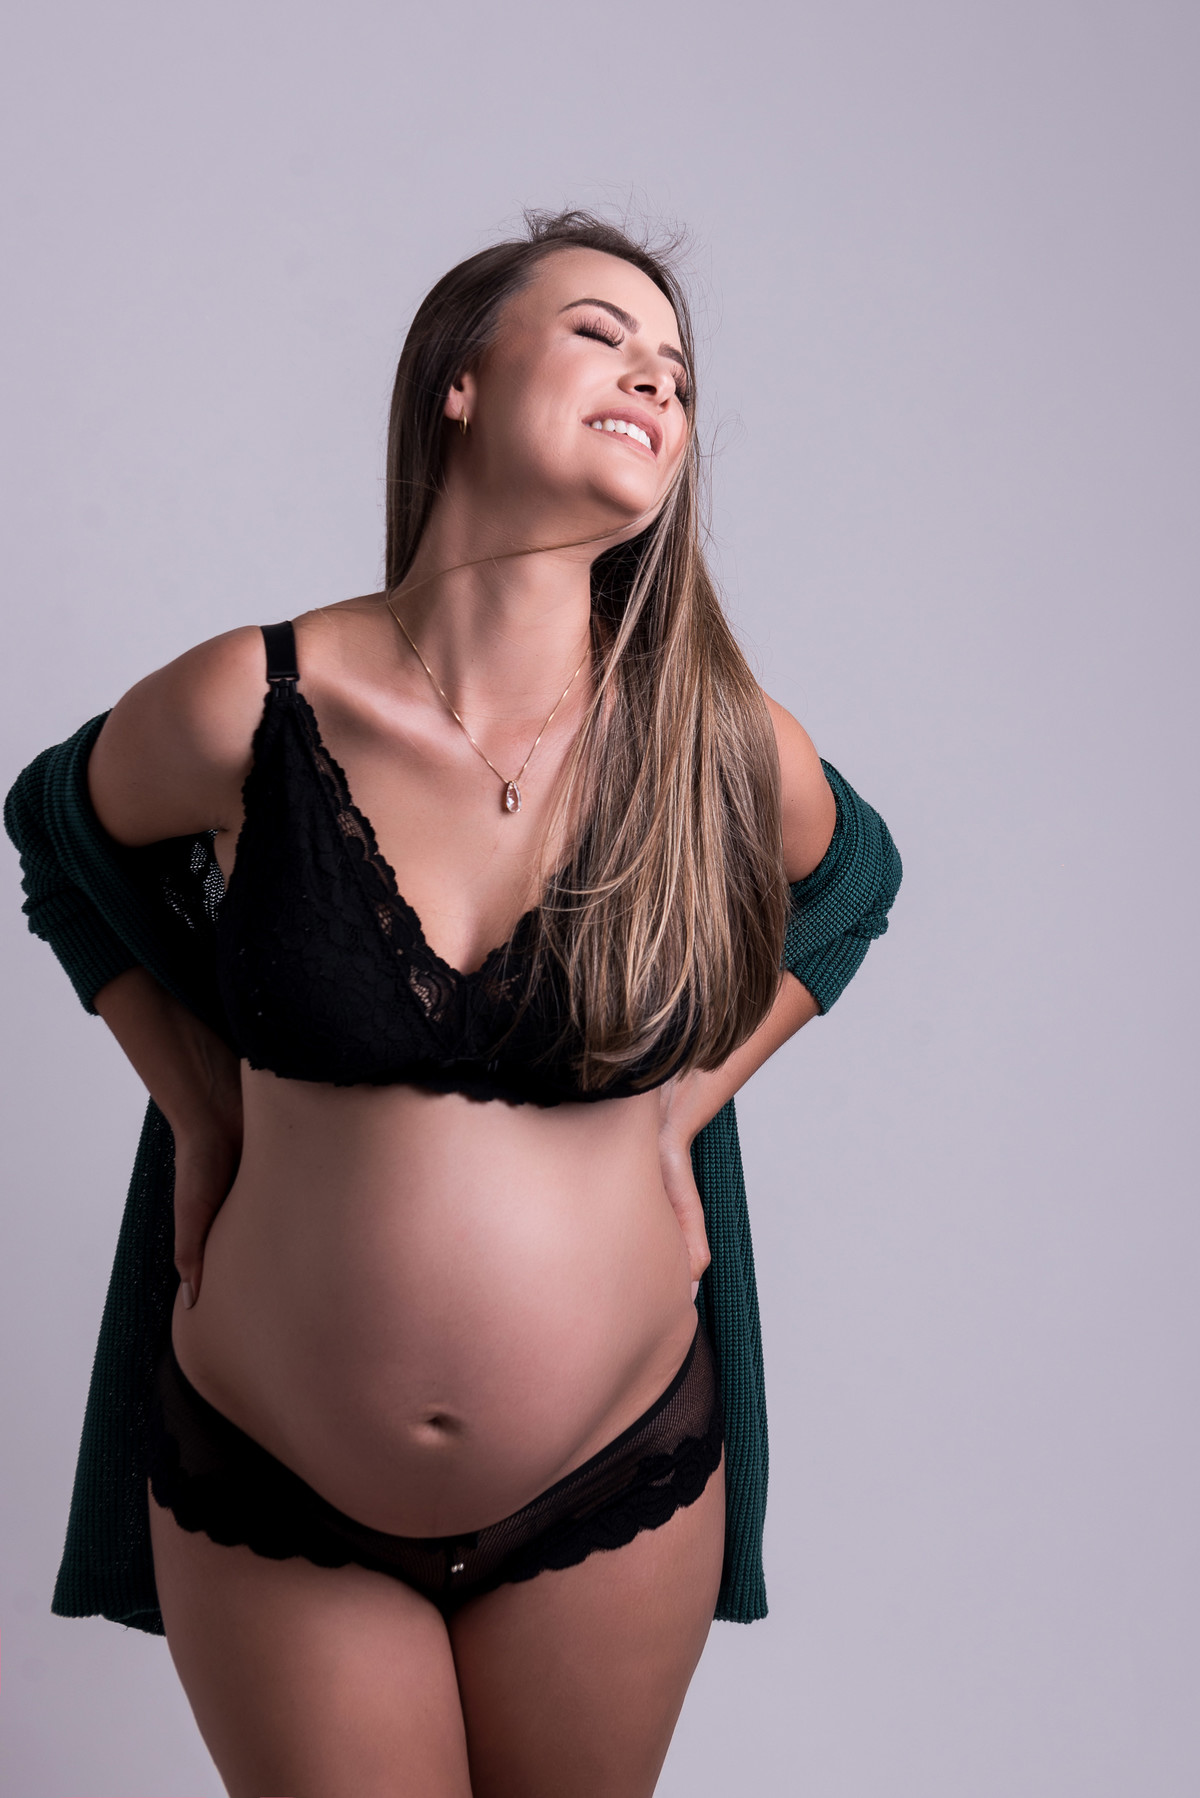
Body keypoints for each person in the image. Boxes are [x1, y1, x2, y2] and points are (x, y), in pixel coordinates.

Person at [5, 210, 902, 1798]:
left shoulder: (703, 732)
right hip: (272, 1471)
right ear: (461, 383)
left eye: (676, 370)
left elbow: (859, 878)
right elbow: (57, 834)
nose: (654, 377)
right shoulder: (256, 703)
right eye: (601, 333)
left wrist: (684, 1115)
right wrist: (198, 1107)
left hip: (616, 1474)